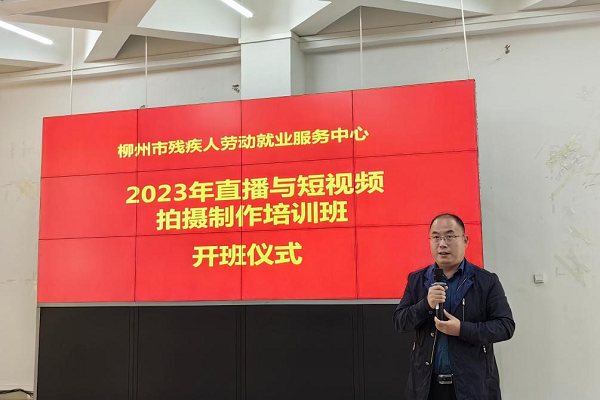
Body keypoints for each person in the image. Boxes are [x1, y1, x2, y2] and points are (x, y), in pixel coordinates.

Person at [393, 213, 515, 400]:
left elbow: (505, 326)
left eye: (450, 236)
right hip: (426, 387)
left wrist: (462, 329)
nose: (442, 244)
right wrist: (426, 304)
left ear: (465, 240)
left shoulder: (486, 281)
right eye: (436, 237)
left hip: (472, 387)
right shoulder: (417, 280)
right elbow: (400, 322)